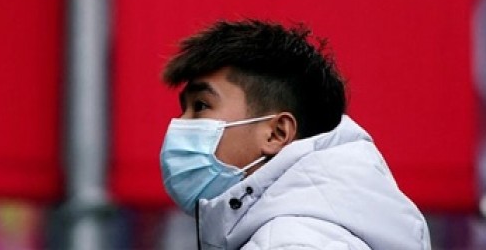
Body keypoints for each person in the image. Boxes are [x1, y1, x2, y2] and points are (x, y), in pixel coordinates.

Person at [159, 19, 430, 249]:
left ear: (277, 133)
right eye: (184, 109)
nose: (180, 124)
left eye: (201, 106)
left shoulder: (292, 242)